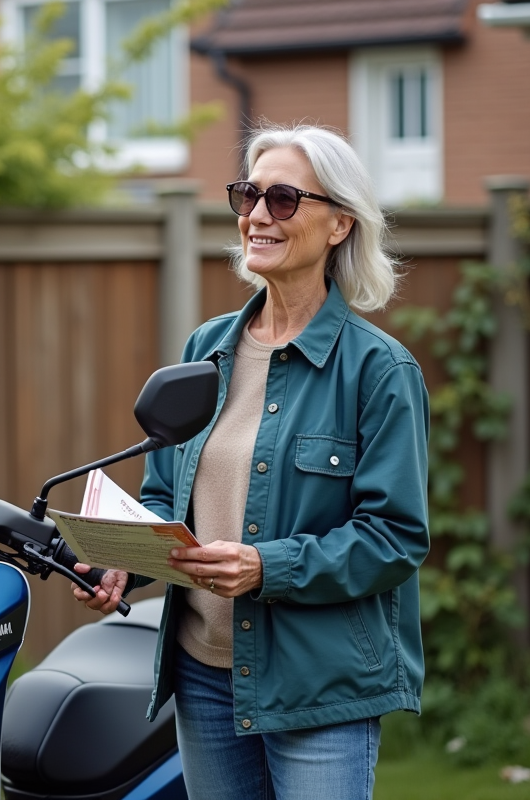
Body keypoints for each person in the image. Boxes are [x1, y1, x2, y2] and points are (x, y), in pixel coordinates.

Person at [73, 123, 430, 800]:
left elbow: (395, 539)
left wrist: (268, 567)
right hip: (202, 676)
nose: (258, 216)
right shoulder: (207, 348)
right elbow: (163, 496)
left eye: (285, 199)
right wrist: (124, 560)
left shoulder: (379, 372)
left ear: (339, 226)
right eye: (249, 195)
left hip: (319, 685)